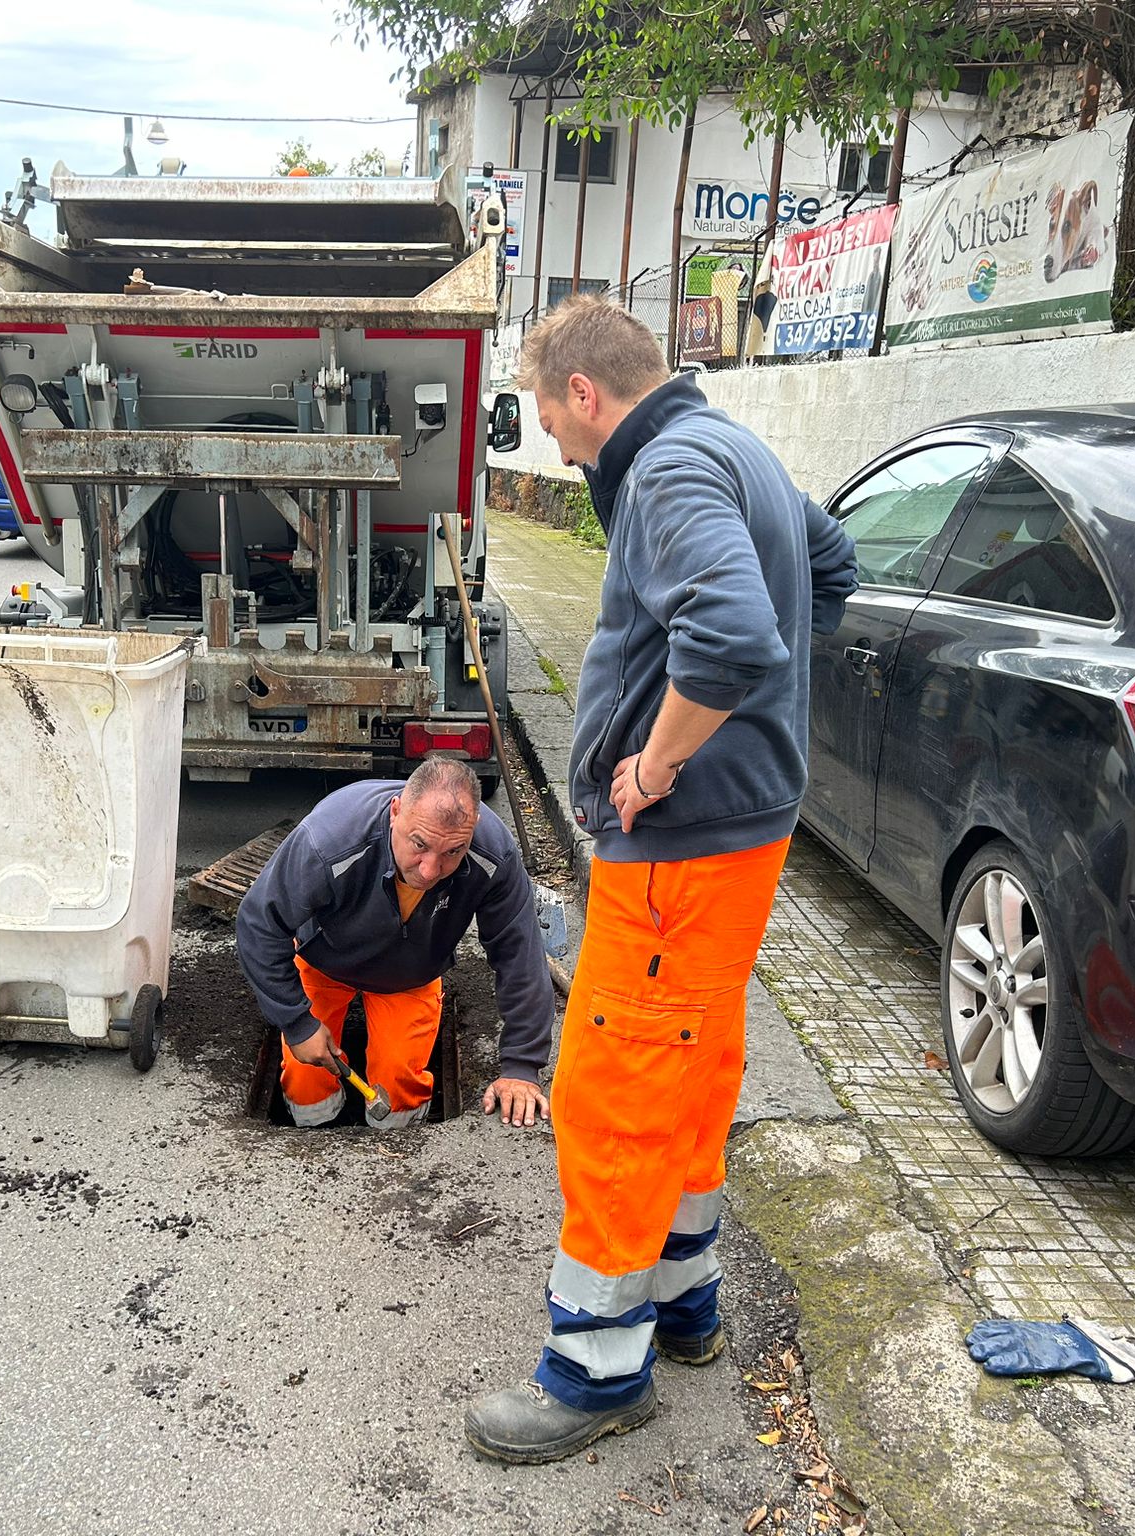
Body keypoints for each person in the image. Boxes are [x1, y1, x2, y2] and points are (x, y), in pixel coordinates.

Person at [464, 296, 857, 1464]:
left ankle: (593, 1370)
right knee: (693, 1065)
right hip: (739, 839)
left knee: (617, 1090)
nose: (545, 430)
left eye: (542, 406)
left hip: (679, 846)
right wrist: (755, 737)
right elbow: (825, 575)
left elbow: (733, 636)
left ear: (584, 390)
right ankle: (684, 1306)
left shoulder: (669, 470)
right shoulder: (737, 447)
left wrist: (660, 758)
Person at [236, 754, 553, 1131]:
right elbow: (259, 922)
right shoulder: (330, 841)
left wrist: (521, 1064)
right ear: (396, 811)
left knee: (399, 1086)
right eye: (419, 844)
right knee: (306, 1083)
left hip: (409, 975)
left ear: (475, 826)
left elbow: (520, 954)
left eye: (453, 851)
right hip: (325, 961)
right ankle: (313, 1132)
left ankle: (396, 1135)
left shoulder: (493, 856)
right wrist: (296, 1021)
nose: (430, 870)